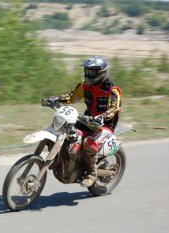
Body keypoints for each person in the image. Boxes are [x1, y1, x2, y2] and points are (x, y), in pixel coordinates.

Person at [42, 56, 122, 187]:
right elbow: (71, 97)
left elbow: (114, 108)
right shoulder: (84, 85)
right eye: (87, 71)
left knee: (88, 143)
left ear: (101, 72)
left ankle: (91, 173)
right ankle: (62, 160)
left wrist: (102, 116)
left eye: (93, 71)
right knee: (65, 132)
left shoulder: (112, 90)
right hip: (87, 120)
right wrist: (55, 99)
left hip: (104, 125)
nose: (89, 74)